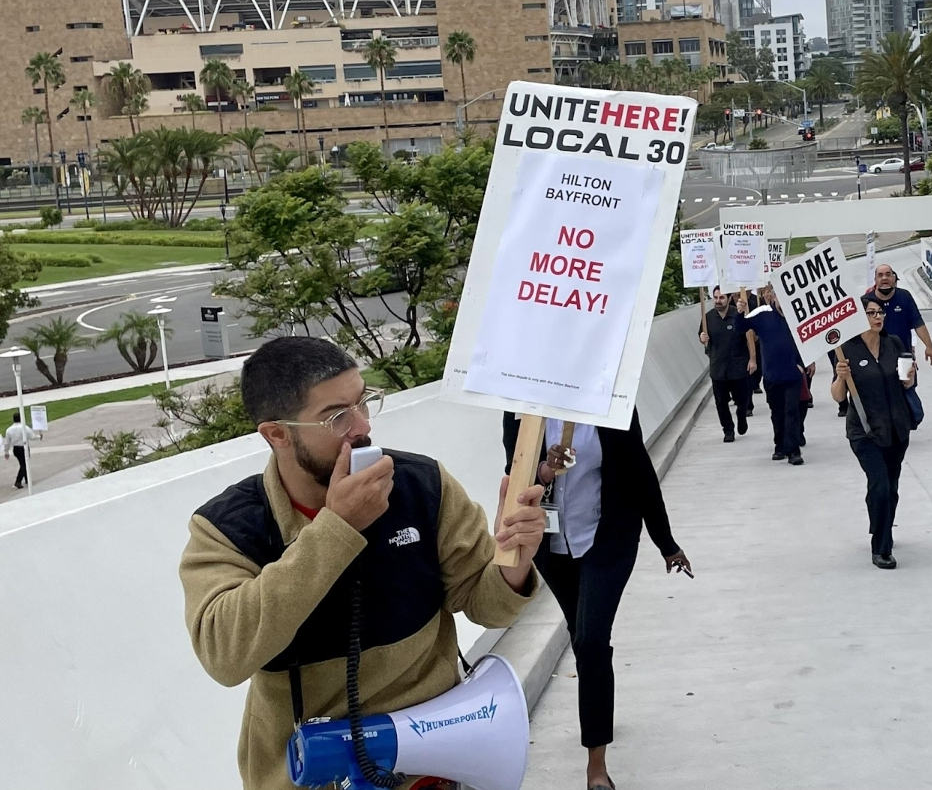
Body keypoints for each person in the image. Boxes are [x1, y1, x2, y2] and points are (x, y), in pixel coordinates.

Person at [180, 337, 546, 790]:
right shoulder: (228, 527)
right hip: (308, 773)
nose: (361, 427)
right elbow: (225, 655)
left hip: (434, 761)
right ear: (277, 434)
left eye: (364, 402)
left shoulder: (421, 485)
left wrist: (513, 561)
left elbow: (483, 604)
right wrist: (336, 529)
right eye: (335, 416)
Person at [502, 411, 690, 790]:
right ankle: (598, 696)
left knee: (590, 641)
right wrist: (543, 470)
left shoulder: (612, 403)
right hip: (551, 546)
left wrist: (666, 543)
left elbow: (639, 469)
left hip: (607, 540)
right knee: (582, 633)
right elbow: (513, 473)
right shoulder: (521, 408)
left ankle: (596, 768)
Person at [831, 295, 916, 569]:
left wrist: (910, 379)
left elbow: (907, 383)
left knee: (889, 488)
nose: (878, 317)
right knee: (879, 485)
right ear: (859, 317)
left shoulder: (894, 344)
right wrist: (841, 376)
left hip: (897, 429)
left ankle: (881, 525)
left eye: (880, 312)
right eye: (871, 313)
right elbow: (837, 396)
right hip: (865, 431)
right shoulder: (847, 350)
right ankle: (881, 548)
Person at [735, 291, 811, 464]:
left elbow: (809, 338)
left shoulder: (798, 315)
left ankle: (794, 451)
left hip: (793, 374)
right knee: (777, 412)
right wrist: (740, 312)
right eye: (779, 296)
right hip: (771, 375)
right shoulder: (763, 315)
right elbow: (741, 327)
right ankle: (780, 445)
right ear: (774, 297)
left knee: (792, 411)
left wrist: (801, 363)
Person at [699, 286, 757, 442]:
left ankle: (741, 416)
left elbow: (751, 338)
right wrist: (702, 338)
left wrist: (752, 359)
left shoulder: (738, 315)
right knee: (721, 402)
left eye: (722, 297)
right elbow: (703, 337)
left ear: (729, 298)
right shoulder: (708, 318)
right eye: (716, 298)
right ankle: (728, 430)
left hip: (738, 365)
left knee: (742, 398)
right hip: (718, 366)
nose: (718, 301)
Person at [871, 264, 932, 361]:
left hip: (903, 355)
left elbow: (918, 323)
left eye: (888, 274)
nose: (884, 278)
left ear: (894, 278)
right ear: (875, 280)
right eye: (880, 275)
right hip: (877, 358)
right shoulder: (867, 301)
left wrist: (929, 346)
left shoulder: (904, 296)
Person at [3, 412, 34, 489]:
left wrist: (6, 451)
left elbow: (7, 442)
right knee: (24, 464)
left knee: (22, 463)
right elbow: (32, 436)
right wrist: (39, 436)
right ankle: (18, 481)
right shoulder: (24, 427)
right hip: (24, 447)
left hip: (16, 449)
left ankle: (27, 479)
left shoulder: (9, 430)